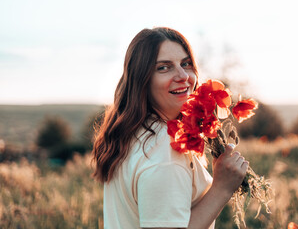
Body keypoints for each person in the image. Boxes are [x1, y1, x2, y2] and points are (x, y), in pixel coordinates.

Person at [92, 27, 249, 229]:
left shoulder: (136, 134)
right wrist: (221, 189)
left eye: (186, 64)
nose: (183, 75)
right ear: (142, 80)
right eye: (164, 68)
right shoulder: (165, 151)